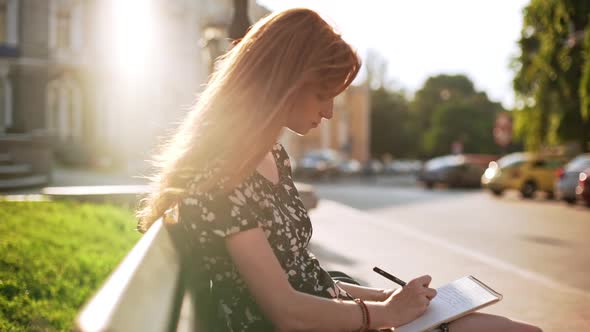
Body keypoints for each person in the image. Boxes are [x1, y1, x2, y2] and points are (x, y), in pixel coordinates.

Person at [136, 8, 543, 332]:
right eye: (321, 95)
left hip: (332, 315)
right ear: (282, 82)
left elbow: (303, 273)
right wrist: (385, 314)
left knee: (514, 329)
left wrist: (388, 299)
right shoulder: (221, 173)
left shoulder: (269, 155)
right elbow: (287, 312)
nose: (329, 112)